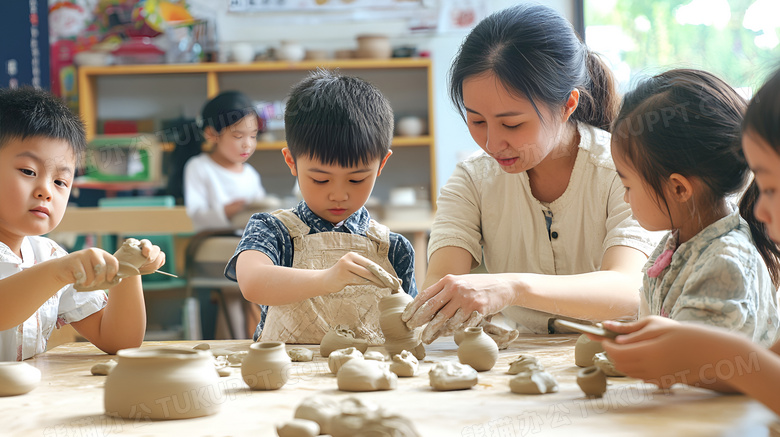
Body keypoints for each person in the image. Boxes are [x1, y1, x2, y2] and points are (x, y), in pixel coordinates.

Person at [402, 3, 660, 343]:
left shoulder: (620, 169)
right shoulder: (472, 180)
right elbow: (443, 286)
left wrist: (512, 287)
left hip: (619, 355)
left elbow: (628, 289)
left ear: (568, 104)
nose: (493, 143)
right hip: (518, 358)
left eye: (512, 123)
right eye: (476, 120)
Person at [592, 68, 780, 415]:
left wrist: (694, 354)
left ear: (679, 188)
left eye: (770, 189)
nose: (762, 210)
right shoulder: (675, 245)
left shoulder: (727, 259)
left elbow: (726, 372)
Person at [225, 69, 417, 344]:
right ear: (291, 161)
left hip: (365, 373)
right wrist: (327, 279)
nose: (338, 195)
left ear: (381, 164)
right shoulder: (273, 230)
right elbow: (252, 282)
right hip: (286, 374)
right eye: (321, 179)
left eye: (356, 179)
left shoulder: (393, 249)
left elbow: (408, 325)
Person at [0, 87, 165, 361]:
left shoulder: (48, 256)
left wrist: (126, 269)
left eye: (60, 182)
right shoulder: (56, 266)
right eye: (28, 171)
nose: (46, 191)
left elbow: (119, 341)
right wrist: (58, 273)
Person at [184, 90, 267, 232]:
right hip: (211, 241)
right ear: (211, 134)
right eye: (238, 136)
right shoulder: (198, 167)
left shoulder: (250, 174)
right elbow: (194, 216)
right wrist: (226, 211)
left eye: (253, 136)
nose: (248, 144)